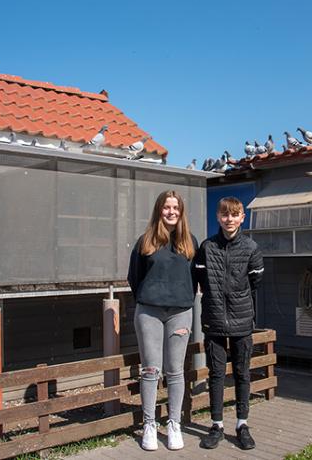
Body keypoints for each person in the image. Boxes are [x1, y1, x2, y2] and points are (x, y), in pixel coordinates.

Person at [127, 190, 198, 451]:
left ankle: (174, 424)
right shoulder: (145, 242)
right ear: (159, 210)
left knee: (175, 371)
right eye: (167, 207)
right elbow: (134, 277)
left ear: (181, 212)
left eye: (175, 208)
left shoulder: (190, 242)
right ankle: (149, 424)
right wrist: (150, 298)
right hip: (149, 312)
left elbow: (194, 280)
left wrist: (181, 298)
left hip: (180, 312)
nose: (171, 212)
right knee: (150, 370)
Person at [194, 197, 264, 450]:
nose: (229, 219)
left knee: (242, 374)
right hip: (213, 320)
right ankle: (216, 425)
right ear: (218, 217)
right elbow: (200, 277)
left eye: (234, 215)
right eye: (225, 215)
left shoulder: (251, 248)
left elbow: (255, 281)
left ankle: (242, 424)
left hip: (242, 320)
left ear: (242, 217)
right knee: (215, 374)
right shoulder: (206, 247)